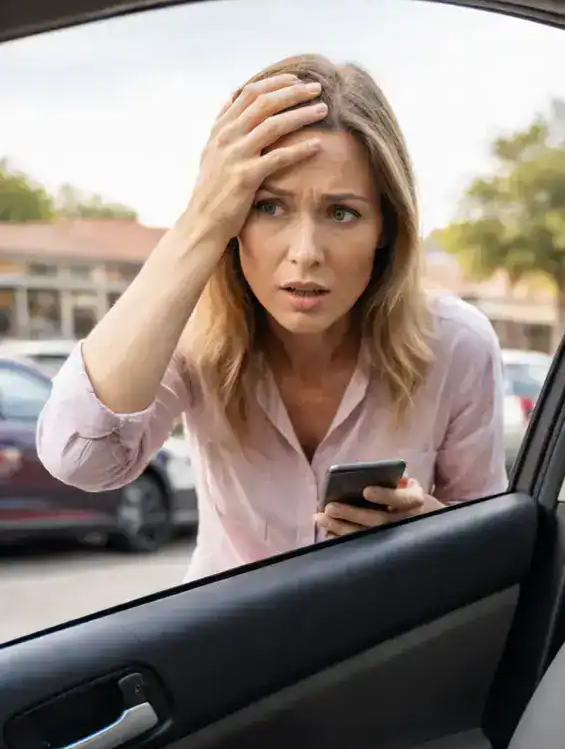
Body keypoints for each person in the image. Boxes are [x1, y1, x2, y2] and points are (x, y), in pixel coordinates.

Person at [36, 55, 508, 582]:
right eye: (269, 207)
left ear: (386, 230)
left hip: (387, 645)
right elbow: (81, 457)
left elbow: (486, 547)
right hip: (234, 646)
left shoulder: (457, 344)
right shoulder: (191, 334)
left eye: (342, 212)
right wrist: (199, 223)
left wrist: (430, 530)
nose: (305, 253)